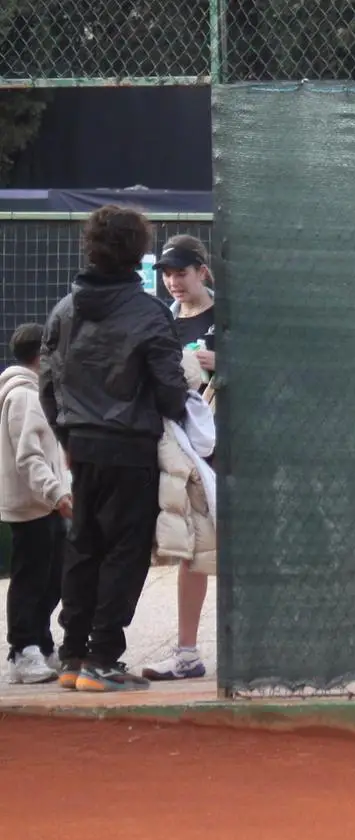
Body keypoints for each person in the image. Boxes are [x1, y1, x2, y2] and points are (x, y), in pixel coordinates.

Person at [40, 205, 188, 692]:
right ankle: (102, 659)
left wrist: (66, 436)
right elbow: (170, 392)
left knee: (84, 547)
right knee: (125, 552)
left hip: (82, 446)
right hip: (131, 447)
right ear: (139, 250)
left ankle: (73, 656)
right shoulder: (149, 313)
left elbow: (48, 383)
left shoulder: (64, 310)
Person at [141, 234, 217, 682]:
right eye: (167, 274)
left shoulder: (230, 316)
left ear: (202, 272)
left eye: (181, 273)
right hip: (183, 451)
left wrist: (225, 361)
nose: (173, 281)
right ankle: (187, 652)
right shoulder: (163, 320)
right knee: (192, 547)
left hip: (232, 448)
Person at [1, 322, 72, 684]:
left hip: (43, 504)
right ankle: (22, 650)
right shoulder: (24, 397)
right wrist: (56, 493)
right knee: (31, 580)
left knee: (51, 579)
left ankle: (40, 644)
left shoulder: (36, 393)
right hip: (32, 507)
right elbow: (29, 456)